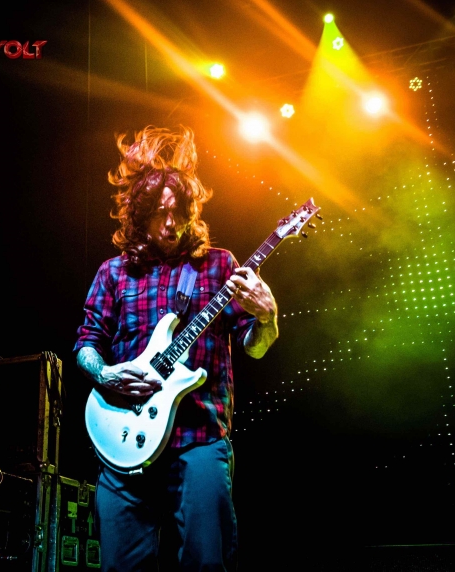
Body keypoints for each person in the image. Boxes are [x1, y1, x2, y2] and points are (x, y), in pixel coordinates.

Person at [73, 125, 279, 571]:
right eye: (159, 213)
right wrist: (106, 373)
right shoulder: (113, 273)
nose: (170, 223)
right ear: (139, 215)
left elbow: (255, 349)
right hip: (123, 440)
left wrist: (267, 319)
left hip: (198, 440)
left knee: (208, 563)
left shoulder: (220, 266)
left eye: (179, 212)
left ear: (192, 211)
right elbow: (86, 345)